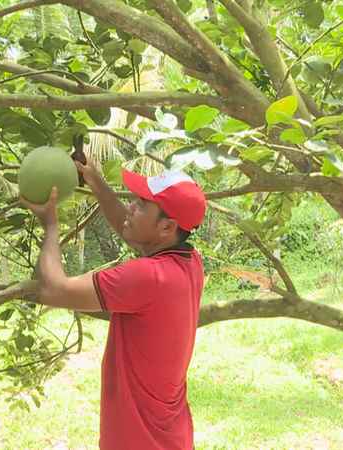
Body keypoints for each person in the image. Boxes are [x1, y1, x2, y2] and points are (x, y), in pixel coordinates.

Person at [19, 159, 207, 450]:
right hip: (169, 437)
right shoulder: (189, 262)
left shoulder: (149, 278)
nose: (131, 207)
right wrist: (95, 181)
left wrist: (50, 224)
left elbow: (54, 290)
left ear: (167, 227)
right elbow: (131, 229)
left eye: (142, 205)